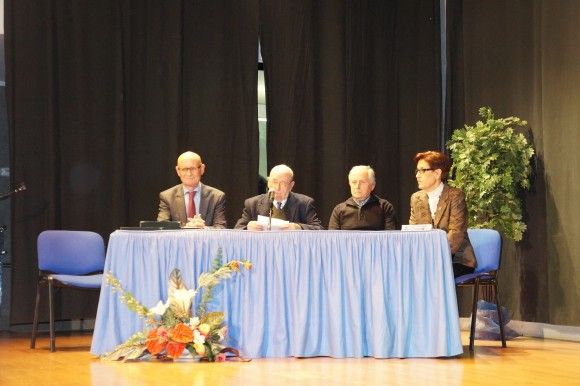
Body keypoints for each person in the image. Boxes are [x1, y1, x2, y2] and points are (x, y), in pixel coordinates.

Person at [409, 150, 477, 277]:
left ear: (437, 173)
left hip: (457, 259)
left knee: (430, 273)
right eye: (417, 171)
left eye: (422, 170)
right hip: (425, 260)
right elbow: (413, 232)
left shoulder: (455, 196)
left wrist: (433, 258)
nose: (417, 175)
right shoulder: (416, 198)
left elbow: (455, 234)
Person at [234, 164, 323, 230]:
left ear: (291, 185)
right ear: (268, 182)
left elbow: (319, 229)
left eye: (283, 183)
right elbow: (237, 230)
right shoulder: (252, 203)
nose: (277, 187)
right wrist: (248, 227)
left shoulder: (304, 203)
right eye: (274, 182)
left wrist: (298, 227)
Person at [157, 151, 227, 228]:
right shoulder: (167, 197)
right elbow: (162, 226)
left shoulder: (217, 197)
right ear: (178, 171)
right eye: (184, 169)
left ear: (202, 169)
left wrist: (204, 228)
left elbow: (221, 227)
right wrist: (187, 227)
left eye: (193, 168)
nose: (189, 173)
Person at [328, 165, 397, 230]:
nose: (357, 186)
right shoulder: (339, 210)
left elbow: (390, 238)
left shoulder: (385, 207)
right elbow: (333, 239)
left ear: (372, 186)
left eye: (362, 182)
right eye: (354, 182)